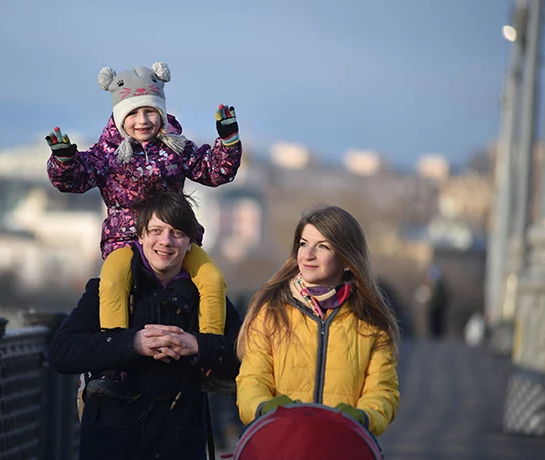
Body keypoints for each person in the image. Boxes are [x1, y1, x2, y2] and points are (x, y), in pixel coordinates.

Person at [46, 62, 242, 347]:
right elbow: (76, 179)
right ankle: (115, 353)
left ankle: (209, 349)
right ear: (119, 117)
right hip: (125, 240)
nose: (143, 120)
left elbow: (213, 171)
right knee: (113, 279)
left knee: (211, 278)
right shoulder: (107, 155)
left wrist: (227, 142)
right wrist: (65, 161)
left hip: (172, 238)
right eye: (133, 112)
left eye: (150, 111)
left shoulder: (176, 148)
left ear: (161, 113)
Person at [47, 191, 242, 460]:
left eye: (177, 233)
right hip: (111, 441)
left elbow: (245, 354)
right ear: (140, 236)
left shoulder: (207, 296)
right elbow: (61, 353)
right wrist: (132, 343)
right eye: (156, 231)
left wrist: (196, 344)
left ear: (190, 244)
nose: (166, 241)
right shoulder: (105, 288)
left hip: (178, 441)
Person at [235, 205, 400, 437]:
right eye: (303, 244)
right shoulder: (271, 312)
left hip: (341, 444)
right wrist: (264, 410)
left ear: (346, 258)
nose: (308, 255)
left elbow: (383, 391)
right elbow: (252, 379)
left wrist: (363, 418)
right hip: (281, 443)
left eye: (322, 246)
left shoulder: (371, 323)